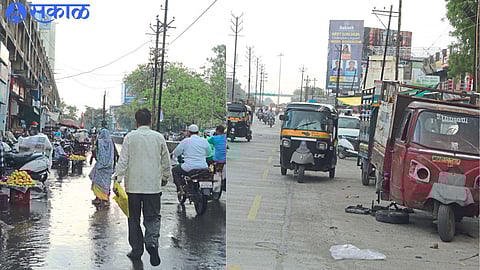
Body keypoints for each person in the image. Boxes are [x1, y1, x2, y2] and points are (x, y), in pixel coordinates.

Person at [112, 109, 171, 266]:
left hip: (133, 188)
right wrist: (165, 177)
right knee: (152, 217)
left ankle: (137, 250)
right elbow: (166, 160)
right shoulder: (159, 137)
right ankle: (152, 243)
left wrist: (117, 180)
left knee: (134, 219)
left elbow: (123, 161)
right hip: (153, 187)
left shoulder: (130, 137)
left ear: (136, 122)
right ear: (150, 121)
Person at [172, 124, 210, 195]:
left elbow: (177, 152)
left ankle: (181, 189)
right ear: (198, 132)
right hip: (203, 166)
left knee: (175, 170)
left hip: (189, 167)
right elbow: (208, 153)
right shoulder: (204, 141)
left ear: (189, 132)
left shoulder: (186, 141)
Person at [89, 128, 115, 207]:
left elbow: (95, 151)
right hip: (109, 166)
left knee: (97, 182)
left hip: (100, 166)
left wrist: (92, 158)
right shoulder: (111, 142)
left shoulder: (99, 141)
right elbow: (115, 154)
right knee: (106, 184)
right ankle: (105, 199)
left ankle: (98, 198)